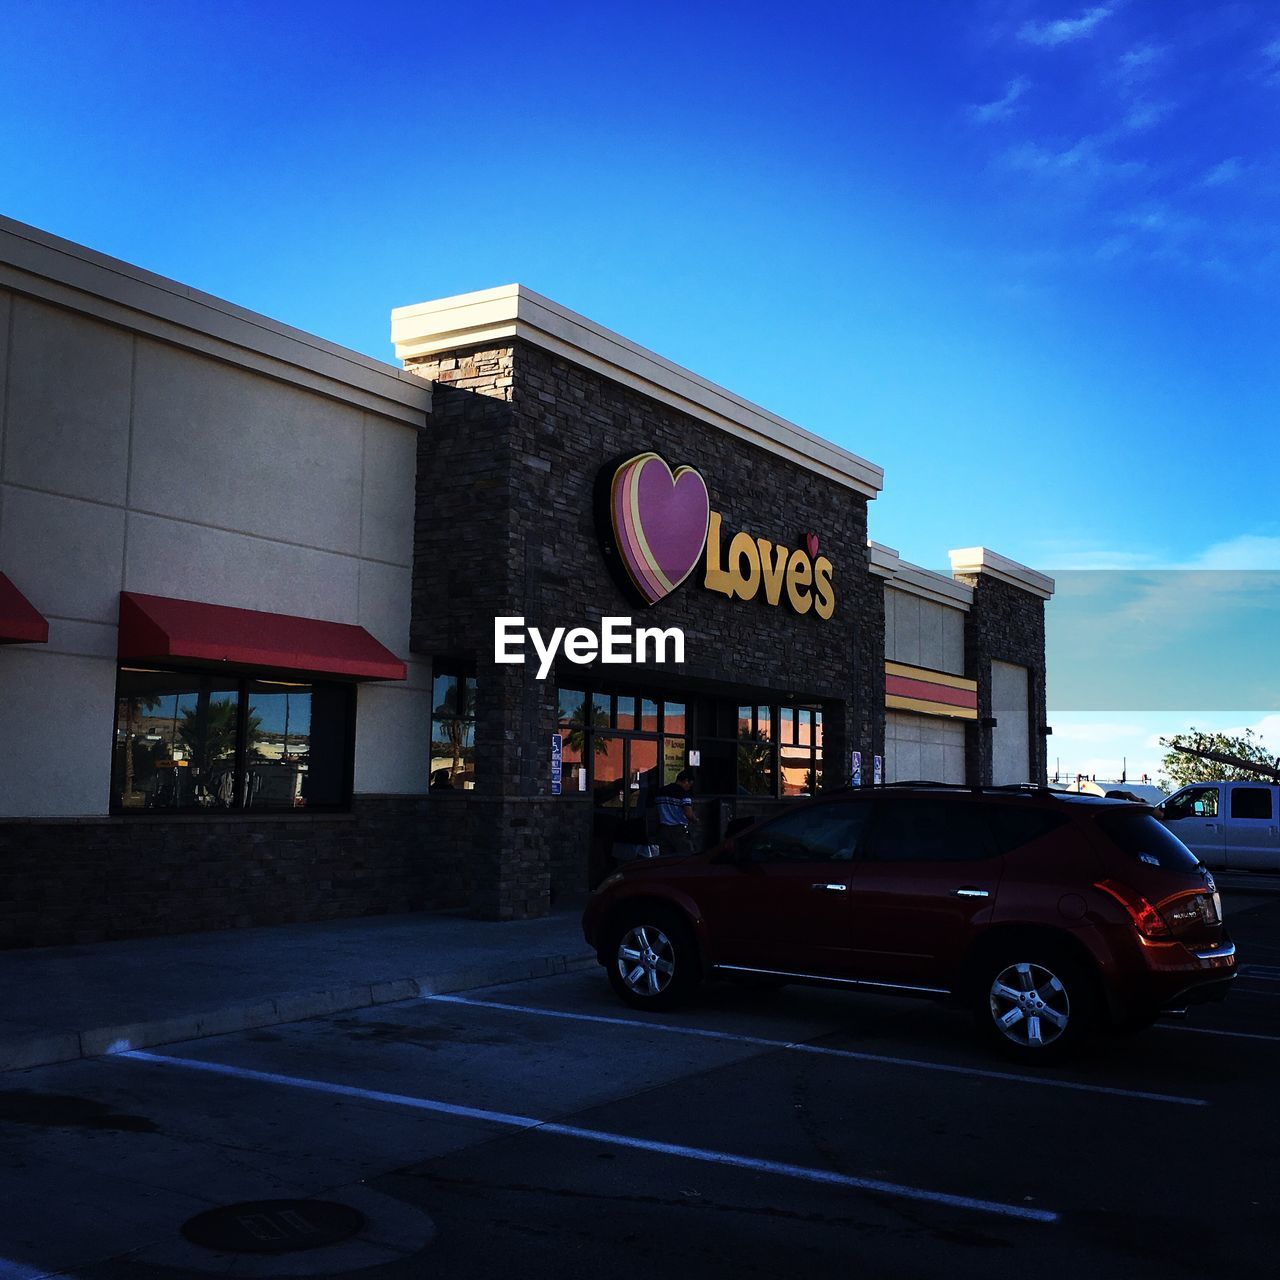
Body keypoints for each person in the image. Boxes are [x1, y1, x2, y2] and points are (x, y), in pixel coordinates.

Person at [654, 769, 700, 856]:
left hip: (663, 828)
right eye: (690, 785)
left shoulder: (660, 792)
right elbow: (688, 814)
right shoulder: (684, 794)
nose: (689, 788)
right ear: (686, 781)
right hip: (679, 830)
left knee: (665, 857)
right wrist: (696, 820)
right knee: (684, 857)